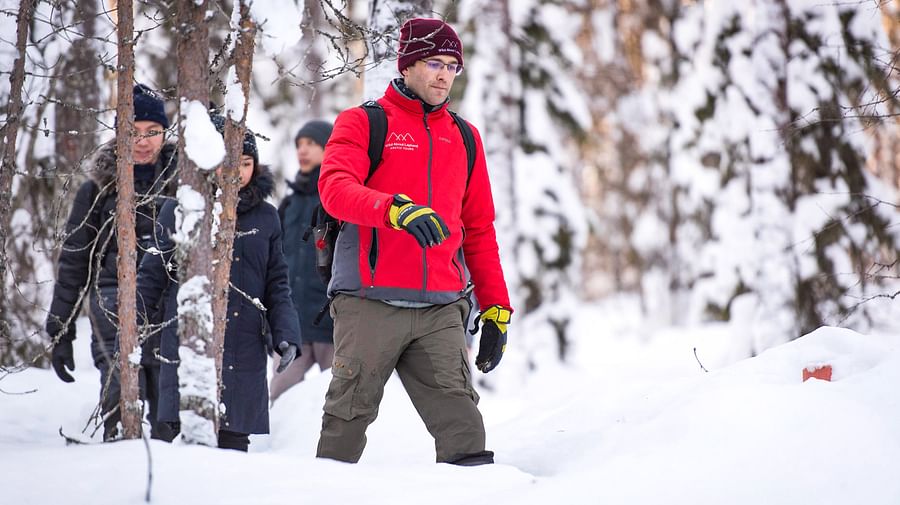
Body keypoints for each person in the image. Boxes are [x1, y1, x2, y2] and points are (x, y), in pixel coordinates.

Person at [315, 18, 513, 466]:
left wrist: (496, 309)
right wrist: (394, 210)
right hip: (369, 301)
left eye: (451, 66)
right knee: (346, 422)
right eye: (433, 63)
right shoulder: (363, 122)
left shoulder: (464, 137)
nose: (443, 75)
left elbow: (479, 229)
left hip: (441, 309)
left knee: (465, 429)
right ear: (407, 66)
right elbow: (335, 189)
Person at [136, 117, 301, 451]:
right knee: (181, 445)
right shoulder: (179, 209)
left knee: (233, 450)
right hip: (187, 347)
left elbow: (277, 284)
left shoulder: (267, 217)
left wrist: (286, 336)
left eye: (246, 163)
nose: (238, 172)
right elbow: (151, 280)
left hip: (244, 350)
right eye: (230, 163)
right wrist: (131, 332)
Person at [46, 84, 176, 441]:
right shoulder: (97, 191)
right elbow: (74, 263)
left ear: (165, 133)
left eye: (153, 132)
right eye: (132, 132)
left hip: (167, 306)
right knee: (119, 393)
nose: (143, 141)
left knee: (167, 408)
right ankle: (116, 464)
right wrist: (61, 330)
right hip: (112, 300)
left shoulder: (181, 184)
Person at [270, 120, 335, 403]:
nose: (303, 151)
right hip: (293, 324)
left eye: (311, 144)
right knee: (279, 396)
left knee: (337, 400)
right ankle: (275, 448)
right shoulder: (290, 200)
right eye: (299, 145)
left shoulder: (337, 196)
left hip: (331, 324)